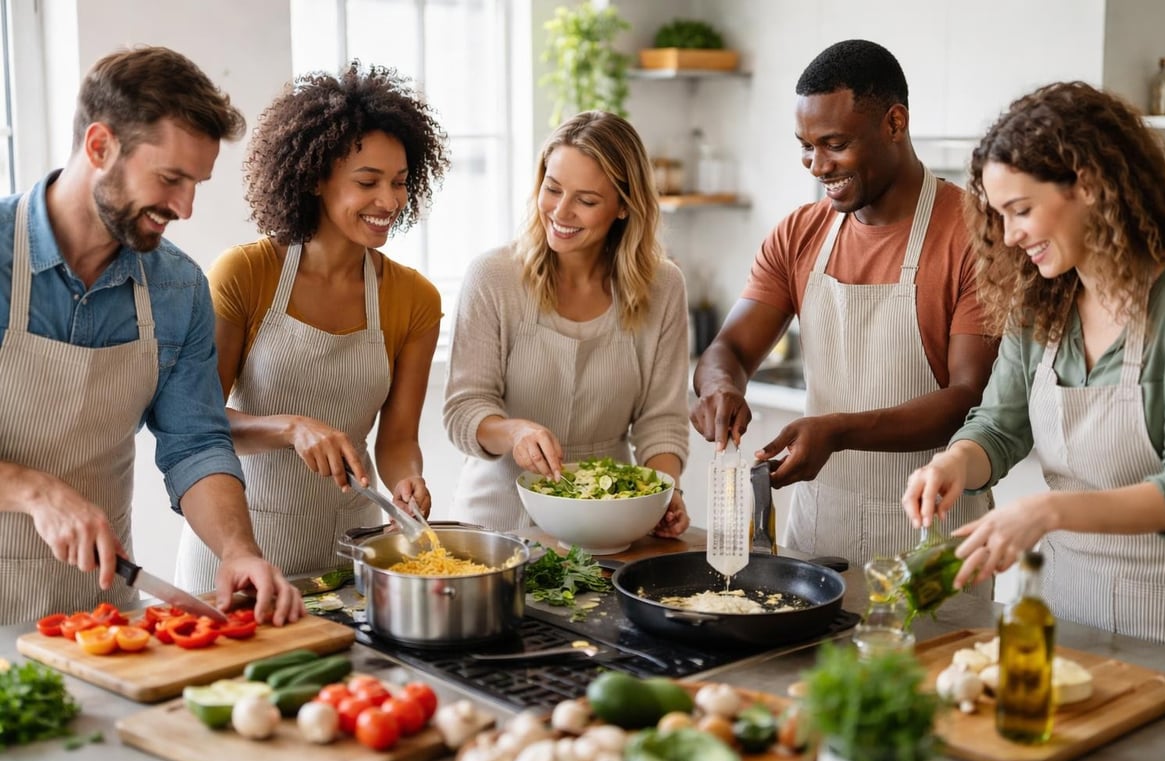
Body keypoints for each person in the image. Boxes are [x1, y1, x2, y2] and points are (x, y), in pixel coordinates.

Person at [0, 46, 303, 625]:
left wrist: (238, 551)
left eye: (196, 183)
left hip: (97, 610)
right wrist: (37, 492)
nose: (185, 207)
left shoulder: (177, 287)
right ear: (99, 146)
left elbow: (195, 443)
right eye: (171, 178)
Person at [903, 81, 1165, 651]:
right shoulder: (1044, 306)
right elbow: (998, 425)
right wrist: (955, 465)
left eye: (1021, 211)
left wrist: (1047, 510)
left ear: (1087, 185)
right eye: (1000, 216)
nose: (1010, 237)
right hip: (1065, 613)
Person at [691, 39, 999, 566]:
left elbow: (967, 398)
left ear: (895, 123)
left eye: (834, 144)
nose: (816, 165)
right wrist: (721, 389)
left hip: (933, 536)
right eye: (806, 146)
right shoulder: (798, 233)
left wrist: (837, 431)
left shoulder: (977, 235)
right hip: (818, 528)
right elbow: (731, 351)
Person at [174, 62, 449, 591]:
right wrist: (290, 427)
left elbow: (396, 439)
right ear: (316, 177)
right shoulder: (247, 273)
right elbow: (198, 423)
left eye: (399, 183)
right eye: (367, 182)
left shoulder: (415, 299)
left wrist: (406, 481)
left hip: (348, 554)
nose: (389, 202)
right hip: (238, 553)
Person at [443, 111, 690, 536]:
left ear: (623, 207)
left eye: (586, 200)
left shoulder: (663, 286)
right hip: (496, 525)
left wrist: (663, 493)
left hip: (610, 525)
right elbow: (464, 410)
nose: (560, 211)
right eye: (552, 188)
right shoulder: (494, 277)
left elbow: (661, 420)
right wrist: (514, 432)